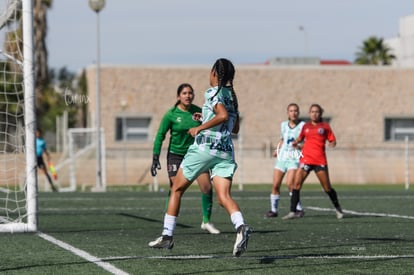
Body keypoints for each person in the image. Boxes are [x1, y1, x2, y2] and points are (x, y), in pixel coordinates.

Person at [149, 58, 251, 257]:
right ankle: (241, 227)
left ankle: (167, 235)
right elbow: (234, 127)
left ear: (214, 73)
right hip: (225, 151)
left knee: (176, 189)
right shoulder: (231, 96)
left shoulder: (212, 92)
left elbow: (221, 116)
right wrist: (204, 118)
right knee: (224, 197)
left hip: (205, 148)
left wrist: (199, 127)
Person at [151, 83, 220, 234]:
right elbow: (160, 135)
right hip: (176, 155)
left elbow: (211, 126)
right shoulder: (171, 114)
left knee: (207, 187)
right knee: (176, 188)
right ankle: (168, 222)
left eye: (190, 93)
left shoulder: (199, 112)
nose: (188, 95)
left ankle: (206, 221)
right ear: (178, 96)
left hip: (196, 155)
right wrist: (155, 156)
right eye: (184, 93)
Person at [283, 104, 343, 220]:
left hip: (319, 160)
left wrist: (332, 143)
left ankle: (338, 208)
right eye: (312, 112)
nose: (314, 114)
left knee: (327, 188)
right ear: (309, 114)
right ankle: (292, 211)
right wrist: (296, 142)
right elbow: (300, 138)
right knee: (296, 184)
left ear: (320, 113)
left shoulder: (325, 127)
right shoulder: (306, 126)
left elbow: (332, 139)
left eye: (316, 112)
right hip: (306, 159)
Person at [266, 103, 305, 218]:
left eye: (295, 111)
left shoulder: (303, 125)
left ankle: (298, 208)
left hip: (294, 157)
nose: (294, 113)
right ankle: (274, 210)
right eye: (291, 111)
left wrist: (300, 145)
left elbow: (306, 142)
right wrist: (277, 150)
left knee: (290, 184)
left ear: (298, 112)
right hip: (282, 157)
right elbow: (282, 140)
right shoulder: (283, 125)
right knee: (275, 185)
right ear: (288, 113)